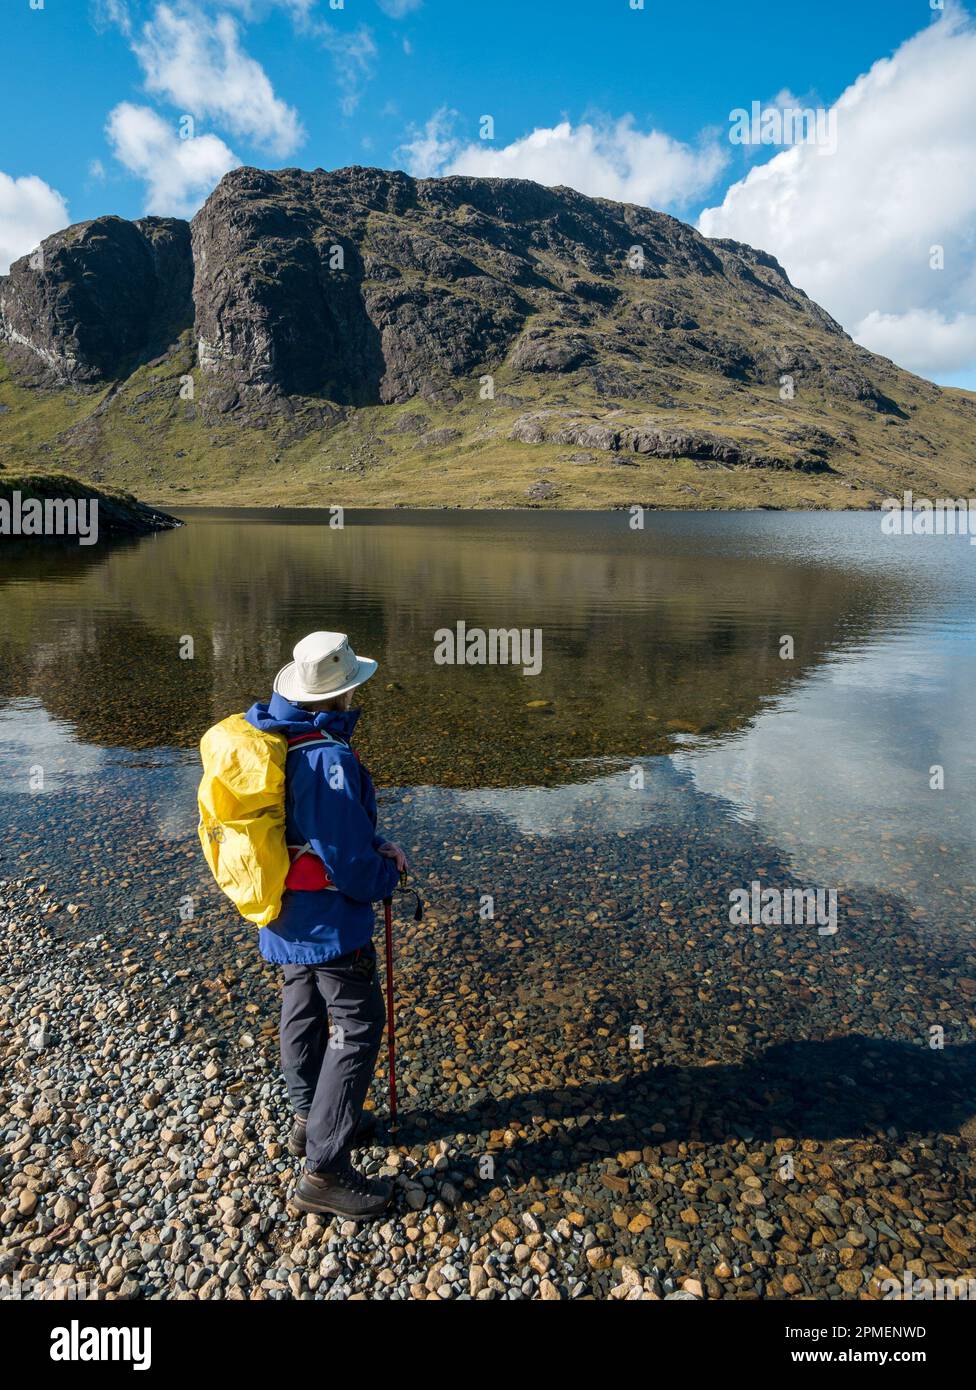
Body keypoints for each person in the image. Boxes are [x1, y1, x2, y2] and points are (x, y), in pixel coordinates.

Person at [244, 631, 408, 1220]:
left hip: (283, 911)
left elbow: (312, 833)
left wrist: (374, 845)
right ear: (342, 695)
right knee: (358, 1025)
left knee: (302, 1005)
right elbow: (346, 858)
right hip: (328, 924)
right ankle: (326, 1170)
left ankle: (307, 1120)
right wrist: (388, 880)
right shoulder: (329, 758)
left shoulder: (275, 737)